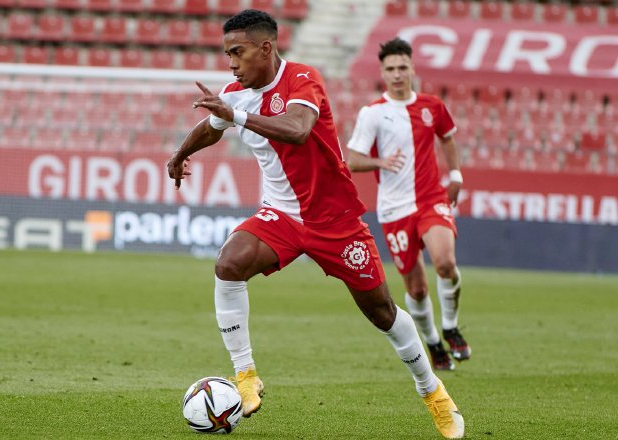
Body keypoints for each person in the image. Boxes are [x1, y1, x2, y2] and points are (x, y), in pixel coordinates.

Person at [167, 10, 464, 439]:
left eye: (238, 52)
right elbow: (211, 127)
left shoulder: (303, 78)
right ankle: (245, 374)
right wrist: (181, 154)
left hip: (335, 221)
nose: (230, 63)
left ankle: (433, 392)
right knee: (229, 264)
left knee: (381, 312)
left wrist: (237, 117)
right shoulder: (237, 94)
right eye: (227, 54)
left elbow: (298, 129)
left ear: (265, 48)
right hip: (282, 217)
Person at [346, 38, 471, 372]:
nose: (397, 74)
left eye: (403, 67)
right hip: (394, 209)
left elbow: (447, 138)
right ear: (383, 73)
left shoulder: (432, 106)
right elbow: (353, 160)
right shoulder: (373, 113)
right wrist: (381, 162)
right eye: (391, 69)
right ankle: (433, 343)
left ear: (413, 69)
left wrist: (455, 175)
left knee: (445, 263)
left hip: (431, 199)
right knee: (415, 288)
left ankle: (451, 327)